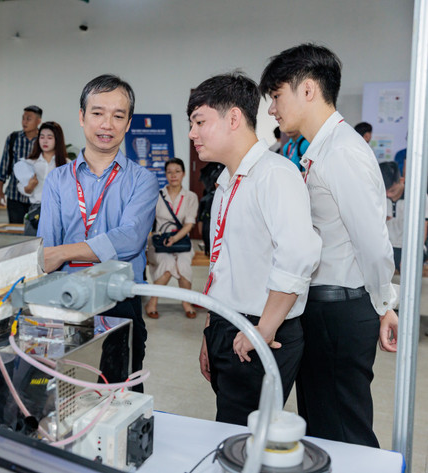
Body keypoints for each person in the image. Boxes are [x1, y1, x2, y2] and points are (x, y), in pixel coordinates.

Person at [260, 43, 399, 447]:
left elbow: (372, 242)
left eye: (276, 96)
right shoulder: (321, 148)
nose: (272, 109)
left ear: (308, 89)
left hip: (339, 311)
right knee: (323, 429)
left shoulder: (341, 152)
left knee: (343, 434)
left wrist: (384, 303)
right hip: (325, 309)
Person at [189, 73, 321, 426]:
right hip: (227, 323)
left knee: (245, 436)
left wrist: (264, 329)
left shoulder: (275, 174)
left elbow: (299, 255)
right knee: (230, 427)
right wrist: (211, 330)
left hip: (261, 330)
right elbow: (222, 266)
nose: (192, 133)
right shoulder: (226, 183)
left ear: (233, 118)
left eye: (199, 122)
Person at [38, 74, 158, 387]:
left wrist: (63, 253)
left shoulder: (142, 180)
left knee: (120, 395)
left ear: (128, 123)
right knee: (63, 392)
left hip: (120, 301)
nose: (107, 124)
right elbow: (46, 250)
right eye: (97, 113)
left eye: (118, 116)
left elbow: (130, 239)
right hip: (65, 298)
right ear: (82, 117)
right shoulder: (58, 180)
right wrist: (53, 258)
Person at [145, 158, 199, 319]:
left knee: (183, 265)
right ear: (165, 175)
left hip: (181, 242)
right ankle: (152, 302)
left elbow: (189, 224)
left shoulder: (190, 197)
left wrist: (174, 239)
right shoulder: (157, 195)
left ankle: (186, 302)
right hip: (159, 242)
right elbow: (147, 221)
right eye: (169, 172)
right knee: (167, 265)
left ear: (183, 174)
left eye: (177, 171)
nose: (173, 175)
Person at [16, 121, 68, 236]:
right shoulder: (29, 163)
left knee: (55, 246)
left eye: (49, 137)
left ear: (57, 140)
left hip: (58, 212)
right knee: (31, 245)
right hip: (35, 211)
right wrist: (29, 188)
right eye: (42, 137)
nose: (45, 141)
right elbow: (21, 186)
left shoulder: (66, 165)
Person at [0, 105, 42, 223]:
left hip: (36, 198)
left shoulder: (43, 140)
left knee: (34, 231)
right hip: (14, 195)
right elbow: (4, 165)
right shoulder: (13, 138)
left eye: (28, 119)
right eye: (23, 118)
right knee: (15, 230)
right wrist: (0, 191)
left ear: (38, 121)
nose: (24, 122)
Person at [380, 161, 428, 272]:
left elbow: (423, 227)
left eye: (392, 191)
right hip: (385, 246)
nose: (388, 195)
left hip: (409, 247)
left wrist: (414, 253)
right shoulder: (379, 195)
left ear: (402, 180)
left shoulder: (417, 196)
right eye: (385, 191)